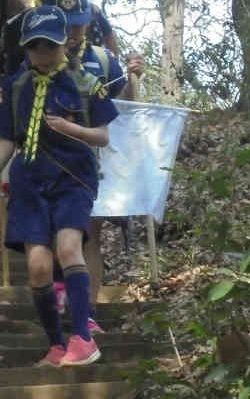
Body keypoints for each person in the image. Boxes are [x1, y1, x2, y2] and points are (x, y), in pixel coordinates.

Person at [0, 5, 118, 367]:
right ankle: (57, 345)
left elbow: (102, 136)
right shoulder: (18, 85)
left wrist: (69, 128)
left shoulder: (86, 84)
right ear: (25, 48)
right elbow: (8, 138)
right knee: (38, 267)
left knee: (69, 249)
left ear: (62, 44)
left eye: (50, 45)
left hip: (73, 178)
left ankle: (83, 339)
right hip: (30, 179)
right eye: (35, 46)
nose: (42, 53)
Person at [41, 0, 145, 334]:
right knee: (57, 234)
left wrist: (133, 78)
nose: (73, 31)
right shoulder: (38, 58)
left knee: (91, 236)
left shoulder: (103, 60)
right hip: (50, 162)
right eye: (67, 24)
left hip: (94, 165)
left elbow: (125, 107)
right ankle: (58, 303)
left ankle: (88, 312)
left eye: (79, 23)